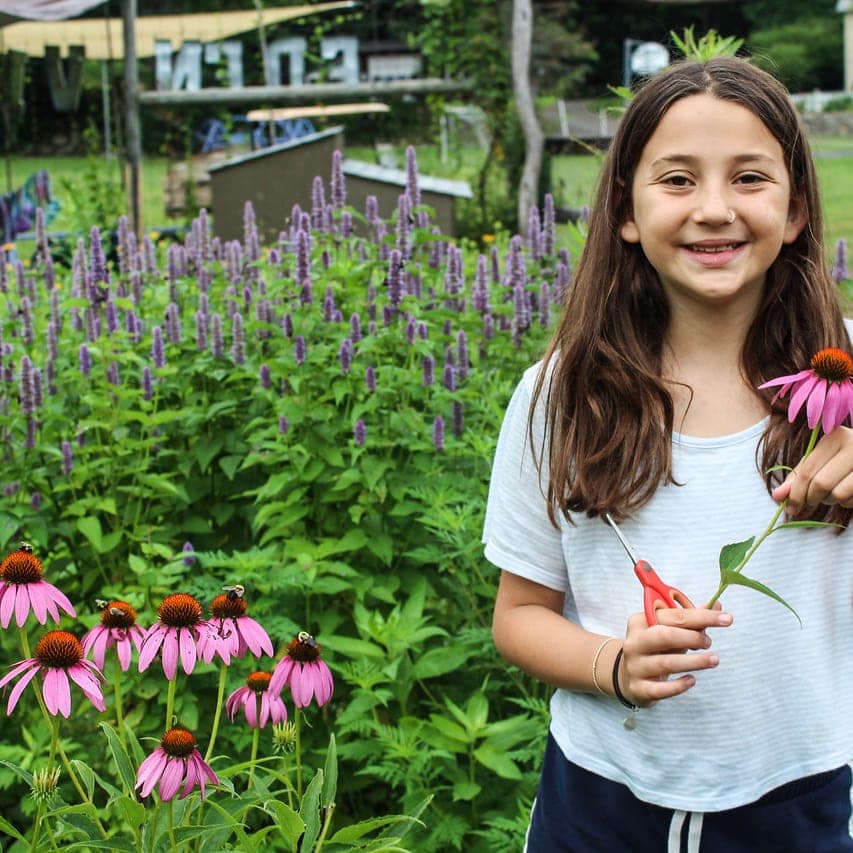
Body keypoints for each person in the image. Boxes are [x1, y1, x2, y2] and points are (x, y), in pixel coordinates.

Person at [484, 55, 853, 852]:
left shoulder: (847, 385)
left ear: (794, 209)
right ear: (624, 210)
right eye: (677, 179)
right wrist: (611, 663)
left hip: (803, 796)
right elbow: (518, 616)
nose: (713, 209)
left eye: (749, 178)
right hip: (600, 800)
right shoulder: (560, 395)